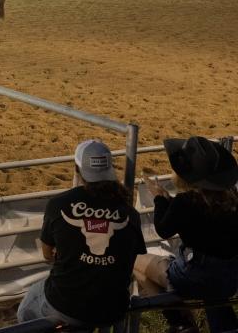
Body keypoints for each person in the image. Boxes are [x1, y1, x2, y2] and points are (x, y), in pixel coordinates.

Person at [17, 140, 146, 328]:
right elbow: (130, 258)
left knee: (26, 311)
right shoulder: (130, 214)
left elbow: (47, 254)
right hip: (113, 308)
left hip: (68, 305)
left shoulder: (59, 204)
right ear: (109, 170)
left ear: (77, 169)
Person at [134, 136, 238, 333]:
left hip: (193, 276)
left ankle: (181, 323)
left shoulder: (185, 201)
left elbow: (163, 230)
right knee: (214, 289)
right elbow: (206, 221)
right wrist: (168, 201)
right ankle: (225, 328)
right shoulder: (232, 199)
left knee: (137, 262)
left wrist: (159, 199)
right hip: (230, 279)